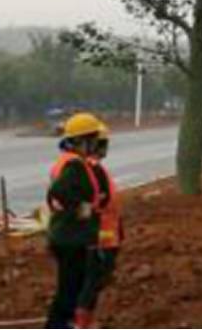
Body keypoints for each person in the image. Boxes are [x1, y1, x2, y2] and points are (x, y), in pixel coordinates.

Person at [45, 112, 104, 329]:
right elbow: (59, 190)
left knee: (70, 288)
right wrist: (81, 207)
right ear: (81, 141)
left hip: (67, 236)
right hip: (71, 237)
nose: (96, 145)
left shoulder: (72, 161)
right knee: (69, 290)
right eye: (94, 140)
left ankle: (61, 324)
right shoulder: (75, 165)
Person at [73, 124, 122, 329]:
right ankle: (81, 323)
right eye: (103, 143)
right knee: (91, 283)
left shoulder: (94, 168)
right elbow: (86, 204)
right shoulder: (91, 170)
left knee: (95, 282)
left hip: (106, 237)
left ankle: (84, 320)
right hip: (98, 240)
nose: (105, 147)